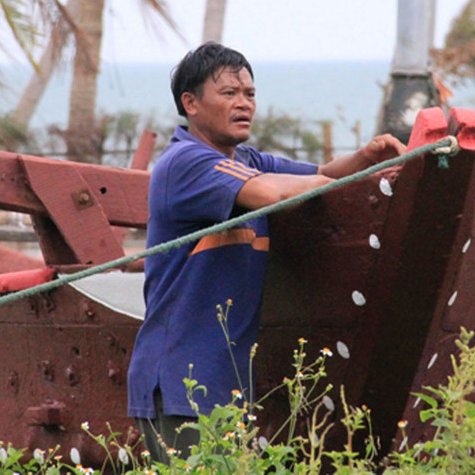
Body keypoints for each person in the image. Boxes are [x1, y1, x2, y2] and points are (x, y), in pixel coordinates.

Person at [127, 43, 405, 462]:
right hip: (183, 382)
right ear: (191, 103)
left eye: (250, 94)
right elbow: (273, 192)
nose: (244, 104)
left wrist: (367, 158)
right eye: (228, 94)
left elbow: (321, 174)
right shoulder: (186, 163)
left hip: (223, 386)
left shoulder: (245, 159)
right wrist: (348, 181)